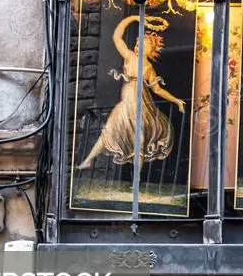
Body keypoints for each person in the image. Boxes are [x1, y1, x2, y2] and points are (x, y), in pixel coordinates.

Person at [79, 15, 184, 169]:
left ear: (151, 49)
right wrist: (134, 17)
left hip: (141, 108)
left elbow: (157, 89)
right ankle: (87, 161)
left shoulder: (148, 68)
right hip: (126, 105)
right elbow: (117, 37)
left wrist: (176, 100)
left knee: (140, 142)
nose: (139, 45)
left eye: (144, 43)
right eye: (138, 42)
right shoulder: (130, 57)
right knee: (108, 131)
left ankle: (138, 181)